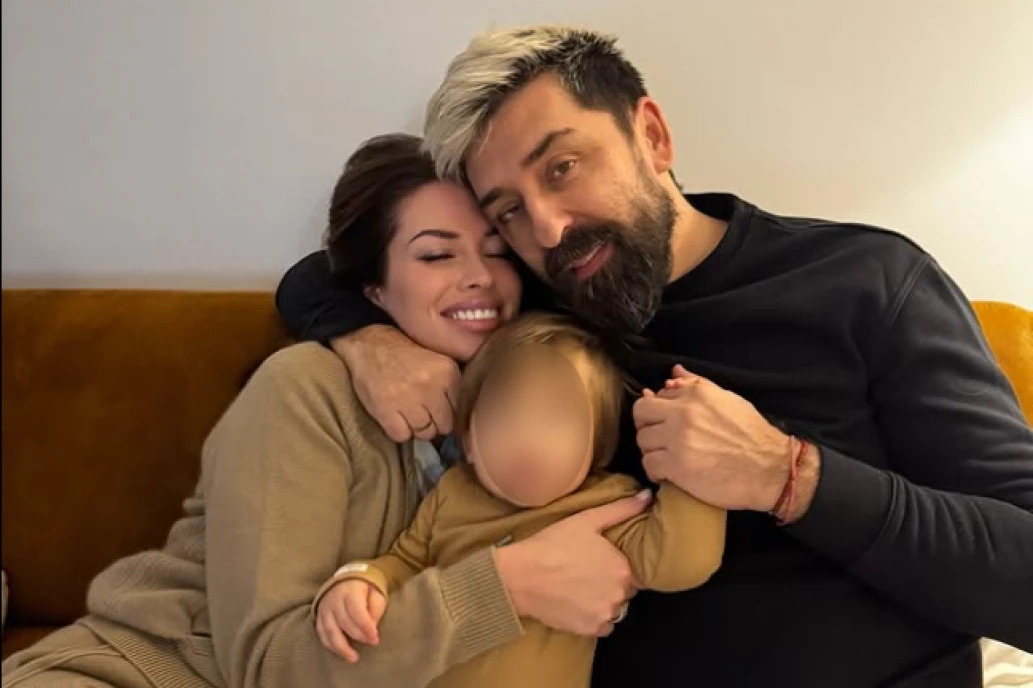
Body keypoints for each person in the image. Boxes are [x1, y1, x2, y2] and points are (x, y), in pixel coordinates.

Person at [275, 25, 1033, 688]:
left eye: (562, 167)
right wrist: (369, 342)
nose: (547, 227)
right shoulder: (539, 319)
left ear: (652, 136)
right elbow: (317, 277)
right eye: (508, 210)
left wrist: (787, 476)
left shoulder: (866, 282)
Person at [1, 134, 650, 688]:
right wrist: (504, 588)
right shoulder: (303, 389)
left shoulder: (537, 401)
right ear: (374, 290)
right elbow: (267, 665)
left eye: (497, 251)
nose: (480, 275)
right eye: (435, 254)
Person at [315, 313, 727, 687]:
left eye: (555, 416)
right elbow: (404, 561)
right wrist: (361, 581)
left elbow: (681, 561)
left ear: (598, 443)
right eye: (503, 416)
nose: (526, 440)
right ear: (468, 441)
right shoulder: (454, 493)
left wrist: (690, 460)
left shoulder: (604, 504)